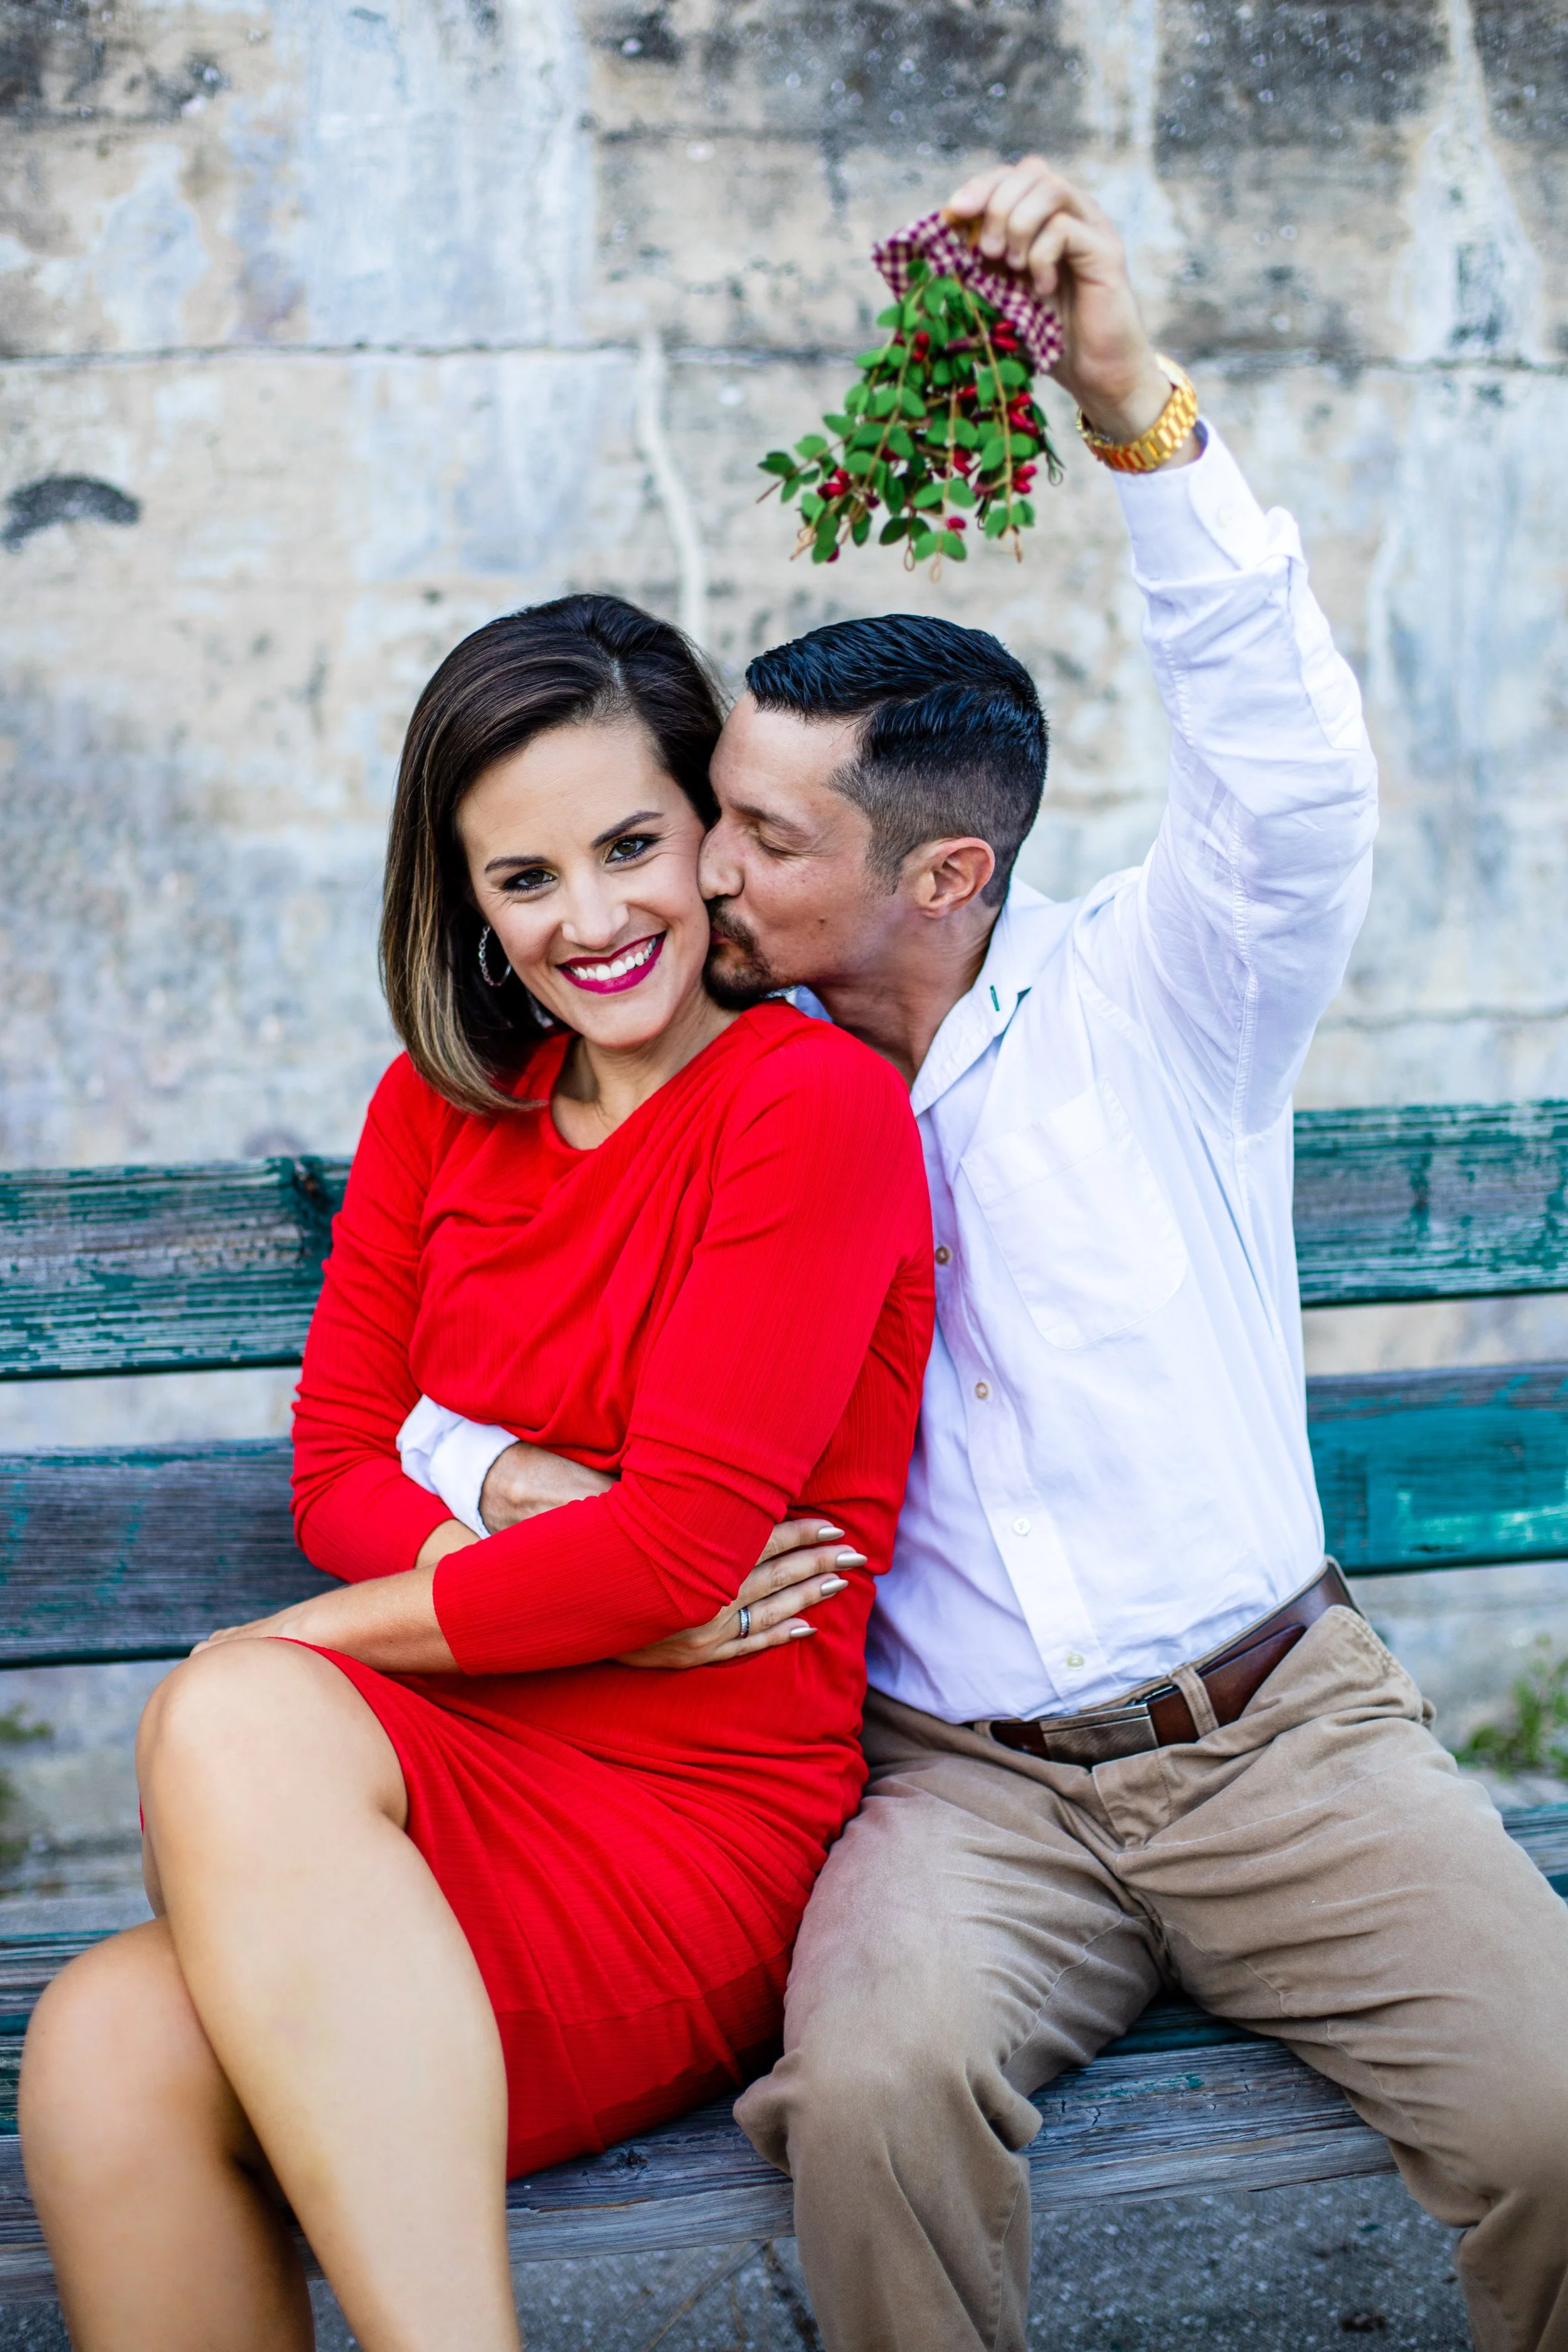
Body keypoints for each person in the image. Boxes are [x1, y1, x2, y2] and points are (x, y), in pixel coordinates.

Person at [461, 153, 1568, 2352]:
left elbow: (1293, 777)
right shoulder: (709, 1081)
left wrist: (1128, 398)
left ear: (942, 869)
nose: (695, 873)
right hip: (956, 1782)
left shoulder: (1169, 998)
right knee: (867, 2094)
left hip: (1285, 1740)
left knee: (1557, 2119)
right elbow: (468, 1310)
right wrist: (512, 1485)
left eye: (758, 837)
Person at [17, 595, 935, 2352]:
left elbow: (675, 1563)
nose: (590, 919)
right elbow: (336, 1465)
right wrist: (520, 1500)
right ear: (467, 900)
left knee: (238, 1706)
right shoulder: (442, 1105)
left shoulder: (802, 1110)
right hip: (454, 1777)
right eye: (525, 878)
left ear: (711, 839)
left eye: (629, 845)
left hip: (697, 1810)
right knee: (99, 2047)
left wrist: (289, 1649)